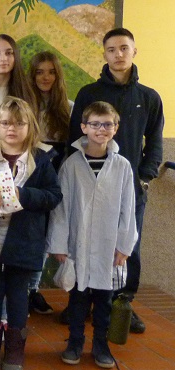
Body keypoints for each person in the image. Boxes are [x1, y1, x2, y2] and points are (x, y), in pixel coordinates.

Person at [67, 28, 164, 334]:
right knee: (83, 239)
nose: (118, 54)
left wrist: (144, 178)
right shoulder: (88, 93)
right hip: (90, 184)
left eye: (124, 48)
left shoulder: (149, 97)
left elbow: (155, 142)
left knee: (127, 245)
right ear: (104, 54)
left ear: (134, 51)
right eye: (111, 49)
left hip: (130, 188)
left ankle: (122, 303)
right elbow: (73, 139)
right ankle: (80, 300)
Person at [0, 97, 62, 370]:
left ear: (30, 126)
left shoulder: (41, 160)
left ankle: (14, 351)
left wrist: (24, 194)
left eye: (19, 123)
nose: (12, 129)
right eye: (5, 123)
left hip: (23, 242)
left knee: (19, 297)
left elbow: (54, 196)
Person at [48, 101, 137, 369]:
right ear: (84, 127)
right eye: (95, 124)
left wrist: (124, 245)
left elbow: (128, 208)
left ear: (116, 128)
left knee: (104, 299)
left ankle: (101, 345)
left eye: (107, 124)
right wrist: (60, 243)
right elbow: (62, 208)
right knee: (78, 297)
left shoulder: (122, 166)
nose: (101, 129)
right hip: (78, 242)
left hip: (109, 245)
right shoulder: (72, 165)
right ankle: (75, 342)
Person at [26, 51, 73, 315]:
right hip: (31, 176)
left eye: (51, 72)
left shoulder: (69, 107)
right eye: (39, 72)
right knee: (32, 232)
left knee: (48, 233)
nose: (45, 77)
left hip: (58, 177)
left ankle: (34, 290)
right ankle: (25, 290)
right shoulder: (25, 106)